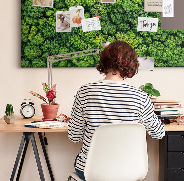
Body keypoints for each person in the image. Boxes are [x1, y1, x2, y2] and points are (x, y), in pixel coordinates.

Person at [68, 40, 165, 180]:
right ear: (131, 64)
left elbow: (74, 136)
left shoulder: (85, 92)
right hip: (129, 172)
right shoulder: (140, 97)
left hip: (91, 173)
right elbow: (158, 133)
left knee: (82, 160)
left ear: (104, 61)